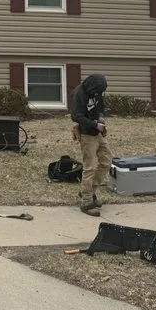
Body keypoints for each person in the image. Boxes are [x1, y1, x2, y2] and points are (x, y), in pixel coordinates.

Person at [69, 73, 112, 216]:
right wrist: (94, 124)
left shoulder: (97, 91)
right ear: (91, 86)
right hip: (87, 134)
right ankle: (86, 202)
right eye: (97, 91)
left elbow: (101, 106)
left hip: (97, 132)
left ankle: (89, 192)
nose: (98, 94)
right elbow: (76, 116)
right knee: (90, 167)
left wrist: (100, 117)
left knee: (106, 162)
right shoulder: (79, 94)